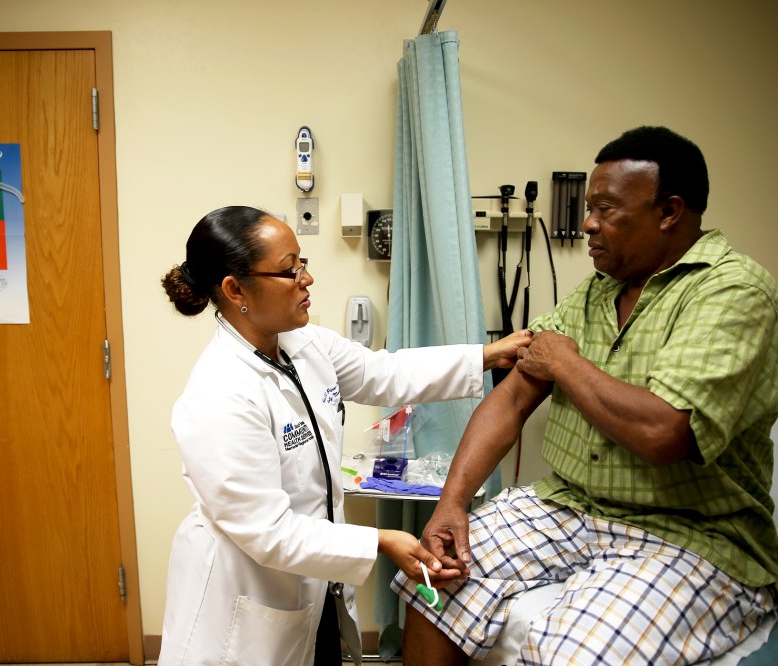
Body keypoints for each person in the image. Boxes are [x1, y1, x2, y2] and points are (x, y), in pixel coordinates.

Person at [394, 126, 778, 665]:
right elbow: (512, 399)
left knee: (570, 650)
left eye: (606, 208)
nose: (587, 223)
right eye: (588, 206)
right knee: (430, 577)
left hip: (688, 530)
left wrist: (567, 363)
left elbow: (664, 432)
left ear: (669, 211)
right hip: (571, 504)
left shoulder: (732, 292)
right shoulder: (597, 290)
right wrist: (452, 504)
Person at [157, 205, 531, 666]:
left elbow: (388, 373)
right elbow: (268, 532)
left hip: (315, 583)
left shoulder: (304, 343)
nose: (306, 279)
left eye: (303, 262)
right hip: (245, 599)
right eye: (288, 270)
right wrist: (380, 540)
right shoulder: (219, 395)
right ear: (236, 290)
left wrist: (488, 355)